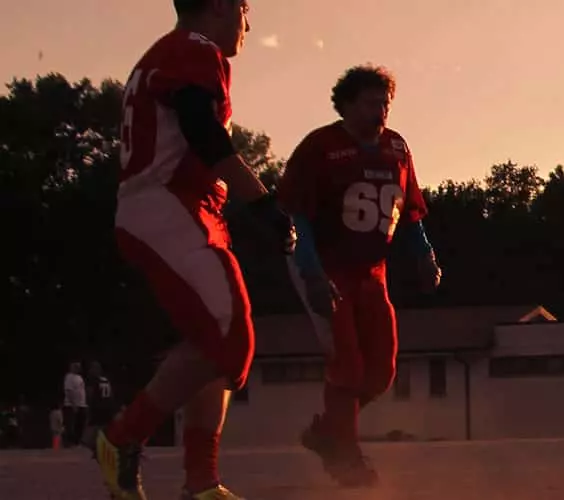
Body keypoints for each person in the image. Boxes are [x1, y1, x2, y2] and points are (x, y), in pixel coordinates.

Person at [97, 0, 282, 499]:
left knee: (213, 345)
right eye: (245, 7)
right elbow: (203, 131)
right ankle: (122, 436)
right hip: (167, 204)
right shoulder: (194, 48)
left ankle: (201, 481)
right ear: (219, 5)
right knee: (227, 332)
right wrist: (261, 202)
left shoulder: (173, 53)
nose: (248, 23)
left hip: (182, 208)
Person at [277, 64, 440, 488]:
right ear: (346, 105)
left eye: (385, 103)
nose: (381, 111)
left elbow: (409, 212)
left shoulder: (397, 147)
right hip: (326, 264)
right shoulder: (320, 147)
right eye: (371, 103)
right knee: (347, 365)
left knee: (381, 371)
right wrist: (312, 271)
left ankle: (329, 431)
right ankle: (346, 458)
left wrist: (424, 255)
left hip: (372, 270)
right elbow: (297, 216)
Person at [64, 362, 88, 447]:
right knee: (71, 425)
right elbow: (69, 391)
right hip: (72, 405)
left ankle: (77, 442)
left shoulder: (79, 377)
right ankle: (70, 443)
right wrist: (74, 404)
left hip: (81, 404)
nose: (78, 368)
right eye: (76, 366)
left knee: (80, 424)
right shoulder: (69, 377)